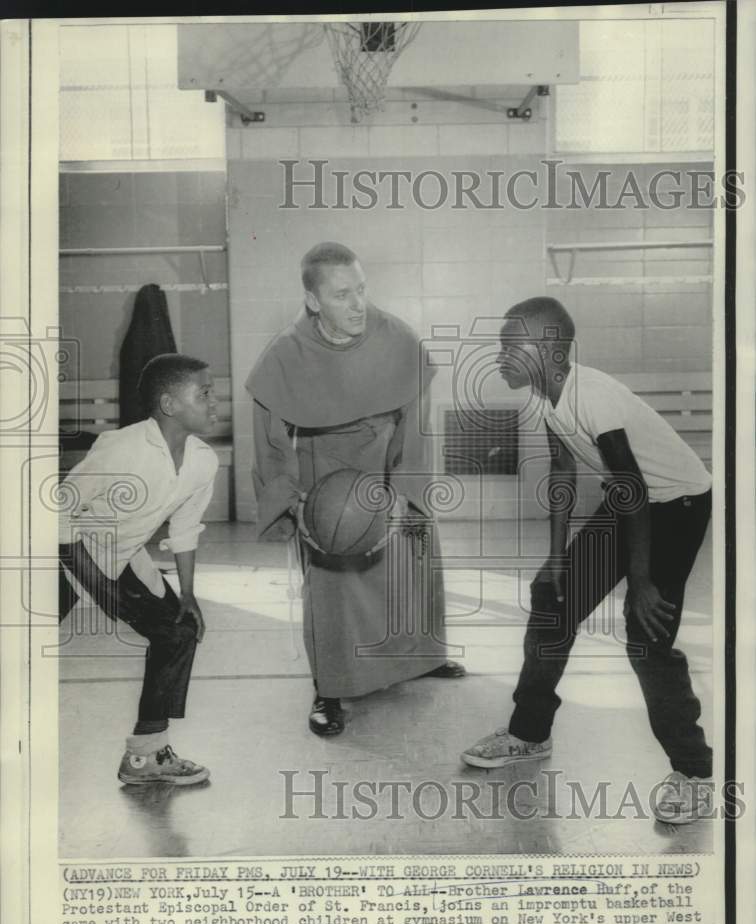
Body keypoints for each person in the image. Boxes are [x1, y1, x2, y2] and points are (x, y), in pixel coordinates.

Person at [461, 297, 713, 825]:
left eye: (512, 346)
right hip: (632, 502)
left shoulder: (592, 395)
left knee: (646, 634)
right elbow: (562, 471)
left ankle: (693, 772)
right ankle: (528, 734)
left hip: (678, 504)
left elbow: (633, 487)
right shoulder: (541, 395)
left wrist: (640, 582)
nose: (500, 356)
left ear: (551, 350)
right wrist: (557, 560)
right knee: (552, 599)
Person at [247, 242, 464, 737]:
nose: (358, 304)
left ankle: (422, 659)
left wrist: (406, 491)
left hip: (388, 465)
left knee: (412, 564)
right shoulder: (284, 354)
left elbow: (417, 422)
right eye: (342, 295)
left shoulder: (397, 338)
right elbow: (271, 443)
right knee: (334, 587)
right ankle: (330, 687)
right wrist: (294, 503)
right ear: (313, 301)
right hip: (325, 477)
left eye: (361, 290)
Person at [59, 354, 219, 785]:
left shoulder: (203, 460)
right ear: (169, 404)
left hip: (121, 556)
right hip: (53, 559)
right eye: (204, 393)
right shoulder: (122, 448)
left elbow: (185, 529)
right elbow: (57, 516)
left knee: (180, 629)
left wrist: (187, 595)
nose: (214, 402)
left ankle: (146, 756)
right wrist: (101, 591)